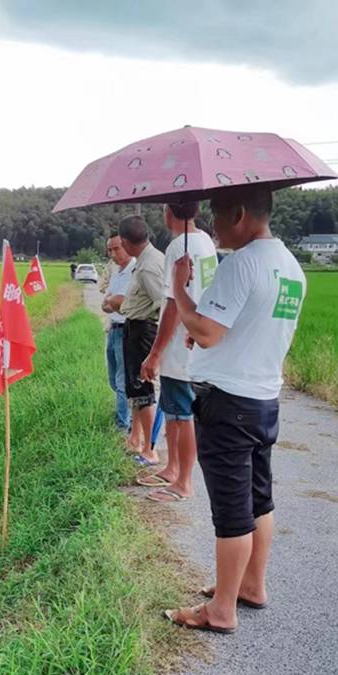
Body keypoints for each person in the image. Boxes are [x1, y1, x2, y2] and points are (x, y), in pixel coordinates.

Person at [163, 183, 306, 634]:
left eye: (219, 216)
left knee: (231, 510)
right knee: (259, 500)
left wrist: (179, 290)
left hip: (228, 404)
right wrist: (203, 333)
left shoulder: (241, 264)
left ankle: (221, 610)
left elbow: (205, 330)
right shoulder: (291, 268)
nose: (215, 227)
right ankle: (251, 585)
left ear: (240, 213)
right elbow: (245, 328)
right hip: (265, 400)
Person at [139, 201, 217, 501]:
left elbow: (173, 304)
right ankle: (172, 468)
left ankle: (183, 481)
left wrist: (155, 352)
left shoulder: (177, 248)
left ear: (168, 213)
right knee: (173, 409)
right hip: (193, 339)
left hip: (180, 343)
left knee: (182, 414)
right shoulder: (206, 241)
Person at [103, 215, 165, 466]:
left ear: (127, 242)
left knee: (142, 389)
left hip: (143, 329)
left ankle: (150, 449)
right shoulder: (146, 260)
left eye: (119, 245)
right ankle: (135, 438)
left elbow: (163, 305)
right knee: (133, 388)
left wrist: (122, 303)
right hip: (133, 327)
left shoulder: (149, 265)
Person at [101, 236, 135, 432]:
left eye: (116, 249)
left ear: (127, 246)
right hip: (113, 328)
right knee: (113, 379)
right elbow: (106, 304)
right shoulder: (116, 272)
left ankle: (123, 425)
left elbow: (123, 304)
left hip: (126, 330)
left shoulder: (135, 270)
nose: (112, 254)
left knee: (122, 380)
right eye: (110, 250)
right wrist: (113, 302)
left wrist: (113, 302)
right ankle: (128, 416)